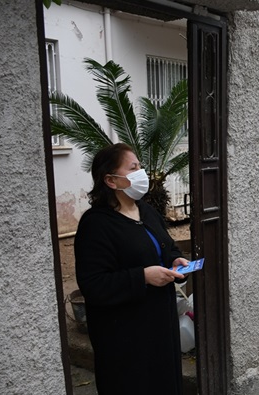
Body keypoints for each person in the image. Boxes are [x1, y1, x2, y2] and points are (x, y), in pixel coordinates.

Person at [75, 143, 189, 395]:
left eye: (141, 166)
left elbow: (166, 246)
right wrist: (143, 277)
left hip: (159, 323)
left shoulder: (146, 211)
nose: (142, 173)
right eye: (133, 167)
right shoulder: (95, 225)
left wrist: (175, 259)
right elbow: (93, 284)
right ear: (111, 180)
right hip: (124, 335)